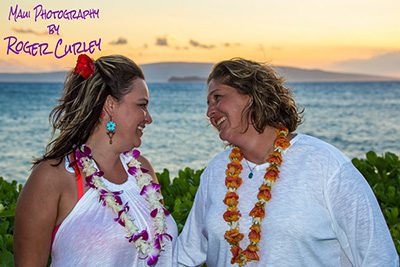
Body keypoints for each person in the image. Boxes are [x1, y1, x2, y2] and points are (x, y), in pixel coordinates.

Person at [177, 58, 399, 266]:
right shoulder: (216, 171)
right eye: (208, 103)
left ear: (252, 97)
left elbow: (378, 257)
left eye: (217, 98)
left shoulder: (325, 165)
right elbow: (184, 255)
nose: (209, 112)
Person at [14, 54, 178, 266]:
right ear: (110, 105)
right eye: (142, 105)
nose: (148, 117)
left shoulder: (143, 171)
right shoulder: (53, 177)